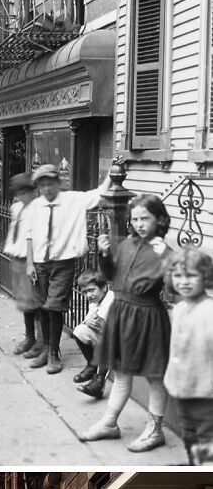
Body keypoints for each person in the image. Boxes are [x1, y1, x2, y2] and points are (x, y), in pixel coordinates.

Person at [78, 193, 172, 451]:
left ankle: (155, 429)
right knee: (121, 373)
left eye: (146, 218)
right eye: (136, 219)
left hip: (148, 315)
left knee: (155, 376)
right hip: (122, 313)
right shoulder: (128, 244)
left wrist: (167, 259)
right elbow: (110, 276)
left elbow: (174, 288)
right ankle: (109, 423)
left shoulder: (163, 249)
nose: (140, 223)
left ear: (159, 220)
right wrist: (105, 254)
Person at [24, 163, 114, 374]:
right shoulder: (34, 207)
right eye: (42, 185)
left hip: (62, 263)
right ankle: (46, 349)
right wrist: (29, 263)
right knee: (42, 306)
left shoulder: (74, 200)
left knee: (55, 306)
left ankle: (54, 353)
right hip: (39, 263)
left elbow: (101, 192)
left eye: (50, 184)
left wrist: (112, 170)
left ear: (58, 183)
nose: (46, 189)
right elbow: (28, 235)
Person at [163, 247, 213, 464]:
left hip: (206, 391)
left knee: (207, 437)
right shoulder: (180, 308)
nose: (184, 281)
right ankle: (195, 462)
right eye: (178, 276)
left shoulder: (209, 312)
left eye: (191, 275)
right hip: (183, 388)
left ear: (206, 277)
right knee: (188, 432)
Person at [3, 173, 39, 355]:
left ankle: (40, 341)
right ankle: (30, 336)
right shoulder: (16, 208)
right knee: (24, 302)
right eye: (18, 193)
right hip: (17, 257)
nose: (20, 196)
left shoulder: (38, 209)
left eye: (24, 192)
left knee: (35, 301)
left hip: (30, 259)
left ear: (32, 192)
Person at [72, 268, 114, 400]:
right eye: (85, 292)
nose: (88, 295)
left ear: (104, 287)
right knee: (79, 331)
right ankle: (92, 365)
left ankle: (99, 381)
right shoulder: (95, 302)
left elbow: (102, 322)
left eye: (91, 290)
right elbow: (88, 321)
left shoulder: (110, 298)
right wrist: (88, 321)